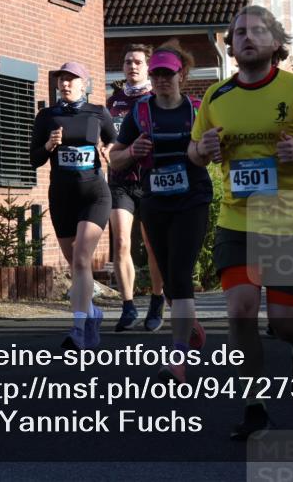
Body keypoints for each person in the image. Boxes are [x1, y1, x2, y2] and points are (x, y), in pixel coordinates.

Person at [188, 5, 293, 439]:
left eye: (256, 30)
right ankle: (254, 405)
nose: (245, 37)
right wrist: (202, 149)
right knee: (240, 313)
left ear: (276, 43)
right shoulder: (217, 97)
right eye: (238, 32)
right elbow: (194, 152)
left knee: (283, 323)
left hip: (290, 224)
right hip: (237, 223)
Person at [110, 42, 210, 382]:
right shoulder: (140, 113)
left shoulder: (197, 111)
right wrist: (133, 151)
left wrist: (212, 149)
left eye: (168, 73)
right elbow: (114, 158)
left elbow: (214, 148)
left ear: (181, 74)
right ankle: (190, 324)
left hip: (192, 201)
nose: (162, 79)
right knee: (169, 281)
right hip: (155, 201)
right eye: (157, 74)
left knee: (180, 277)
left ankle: (177, 361)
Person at [31, 61, 116, 349]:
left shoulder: (98, 112)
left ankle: (78, 328)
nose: (65, 84)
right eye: (61, 80)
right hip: (62, 197)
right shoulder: (46, 117)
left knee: (81, 258)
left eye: (72, 79)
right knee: (76, 265)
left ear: (85, 84)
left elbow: (116, 142)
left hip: (95, 194)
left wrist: (109, 149)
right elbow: (34, 159)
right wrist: (49, 146)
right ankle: (92, 314)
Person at [106, 45, 166, 332]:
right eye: (128, 61)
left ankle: (157, 300)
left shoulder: (155, 99)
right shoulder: (113, 101)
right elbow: (105, 136)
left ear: (148, 66)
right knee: (120, 242)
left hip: (150, 180)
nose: (132, 66)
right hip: (119, 181)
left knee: (153, 246)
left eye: (138, 62)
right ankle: (128, 306)